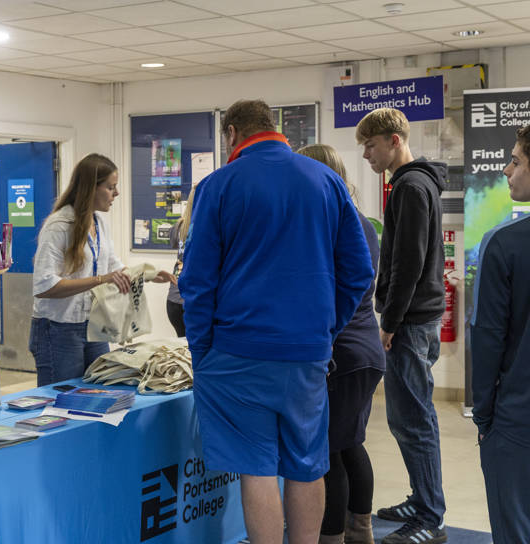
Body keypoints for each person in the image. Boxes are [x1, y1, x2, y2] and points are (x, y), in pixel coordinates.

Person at [179, 100, 373, 544]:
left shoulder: (218, 186)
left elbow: (197, 281)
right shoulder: (326, 181)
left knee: (257, 468)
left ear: (232, 134)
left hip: (236, 352)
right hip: (306, 353)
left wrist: (201, 349)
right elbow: (359, 272)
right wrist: (325, 329)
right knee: (307, 464)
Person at [357, 108, 448, 544]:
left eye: (371, 145)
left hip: (410, 322)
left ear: (394, 140)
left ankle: (430, 516)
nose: (367, 155)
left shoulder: (411, 186)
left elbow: (407, 263)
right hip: (418, 317)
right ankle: (422, 498)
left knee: (413, 420)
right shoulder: (417, 182)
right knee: (411, 417)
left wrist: (390, 322)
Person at [297, 145, 385, 544]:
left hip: (341, 353)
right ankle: (359, 530)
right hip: (363, 350)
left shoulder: (332, 222)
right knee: (350, 445)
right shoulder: (359, 220)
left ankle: (331, 536)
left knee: (327, 453)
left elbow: (330, 289)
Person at [29, 153, 172, 386]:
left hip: (92, 325)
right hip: (57, 329)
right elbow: (44, 286)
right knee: (63, 399)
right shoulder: (59, 226)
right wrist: (101, 279)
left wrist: (147, 274)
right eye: (110, 187)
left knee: (100, 391)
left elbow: (113, 265)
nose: (117, 193)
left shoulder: (99, 223)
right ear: (90, 188)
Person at [471, 124, 530, 544]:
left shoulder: (504, 244)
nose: (507, 170)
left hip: (517, 419)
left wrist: (484, 416)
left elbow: (487, 337)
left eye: (516, 160)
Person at [166, 188, 196, 338]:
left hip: (173, 300)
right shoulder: (205, 227)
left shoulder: (179, 225)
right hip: (192, 300)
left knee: (183, 343)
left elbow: (174, 244)